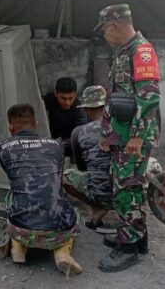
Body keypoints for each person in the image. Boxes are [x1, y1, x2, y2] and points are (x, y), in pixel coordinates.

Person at [94, 4, 161, 272]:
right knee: (128, 186)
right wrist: (108, 135)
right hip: (121, 136)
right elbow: (119, 97)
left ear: (115, 26)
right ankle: (136, 237)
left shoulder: (141, 51)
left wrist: (137, 136)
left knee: (126, 190)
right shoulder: (124, 51)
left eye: (104, 31)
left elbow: (149, 96)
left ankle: (129, 248)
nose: (105, 37)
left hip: (133, 138)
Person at [0, 104, 83, 276]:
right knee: (73, 210)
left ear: (10, 127)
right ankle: (62, 252)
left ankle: (18, 248)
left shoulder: (2, 146)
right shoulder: (56, 146)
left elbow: (13, 175)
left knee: (13, 193)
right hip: (58, 228)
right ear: (36, 123)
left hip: (21, 227)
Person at [63, 85, 114, 234]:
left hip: (101, 193)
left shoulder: (80, 132)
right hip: (125, 192)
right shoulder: (123, 127)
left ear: (86, 109)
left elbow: (82, 167)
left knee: (63, 177)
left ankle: (98, 206)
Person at [43, 77, 88, 158]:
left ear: (75, 95)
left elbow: (80, 135)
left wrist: (59, 144)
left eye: (71, 98)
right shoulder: (49, 99)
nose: (67, 102)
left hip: (71, 145)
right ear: (56, 94)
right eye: (63, 98)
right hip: (52, 138)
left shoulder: (79, 110)